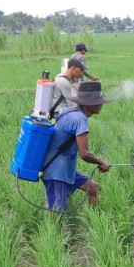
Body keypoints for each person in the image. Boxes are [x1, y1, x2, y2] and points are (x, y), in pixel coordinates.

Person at [41, 81, 111, 212]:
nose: (101, 104)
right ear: (87, 104)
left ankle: (95, 220)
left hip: (65, 168)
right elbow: (84, 153)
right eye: (98, 101)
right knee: (58, 212)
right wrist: (101, 162)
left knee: (93, 188)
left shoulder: (68, 111)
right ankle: (53, 232)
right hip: (56, 171)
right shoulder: (79, 119)